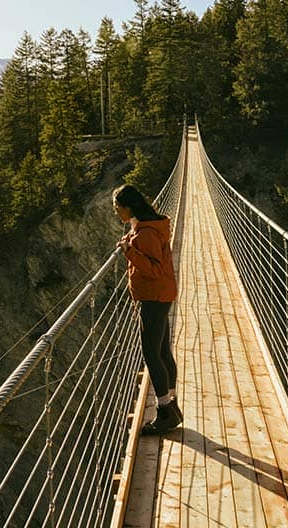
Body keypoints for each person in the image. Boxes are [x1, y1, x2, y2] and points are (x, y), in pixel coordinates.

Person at [112, 183, 183, 435]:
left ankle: (164, 412)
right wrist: (130, 243)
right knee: (162, 350)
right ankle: (171, 405)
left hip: (154, 297)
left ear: (128, 207)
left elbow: (153, 269)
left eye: (117, 207)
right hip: (160, 295)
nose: (116, 212)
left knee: (151, 354)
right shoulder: (145, 227)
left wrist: (129, 251)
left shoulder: (146, 234)